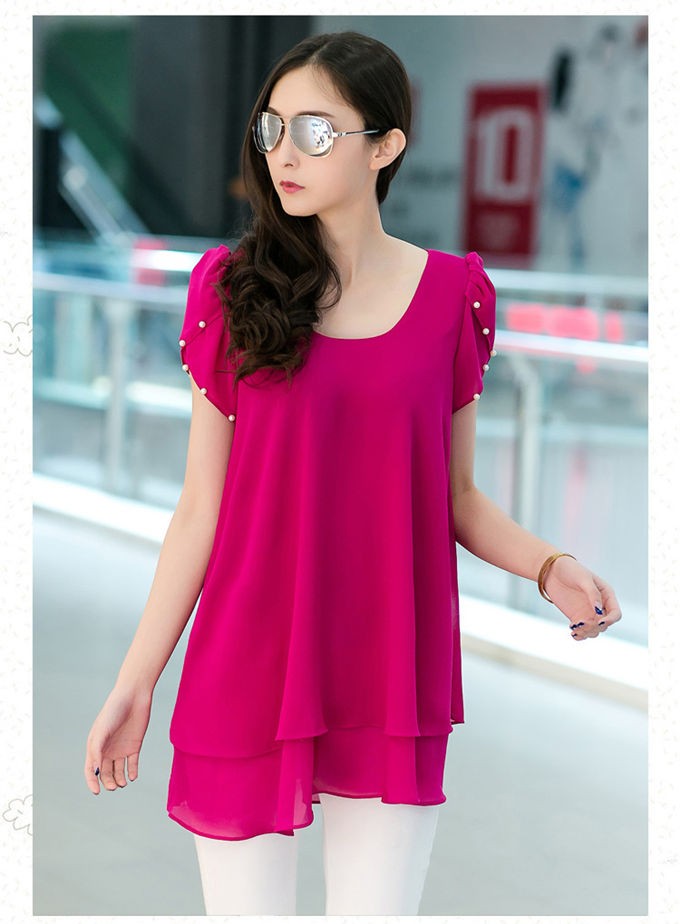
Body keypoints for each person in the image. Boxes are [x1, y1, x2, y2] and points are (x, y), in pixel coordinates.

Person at [83, 30, 622, 916]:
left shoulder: (454, 297)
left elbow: (456, 495)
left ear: (385, 146)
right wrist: (135, 681)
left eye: (316, 131)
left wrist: (548, 564)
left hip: (390, 671)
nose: (285, 154)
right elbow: (200, 511)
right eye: (273, 129)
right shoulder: (230, 289)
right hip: (248, 660)